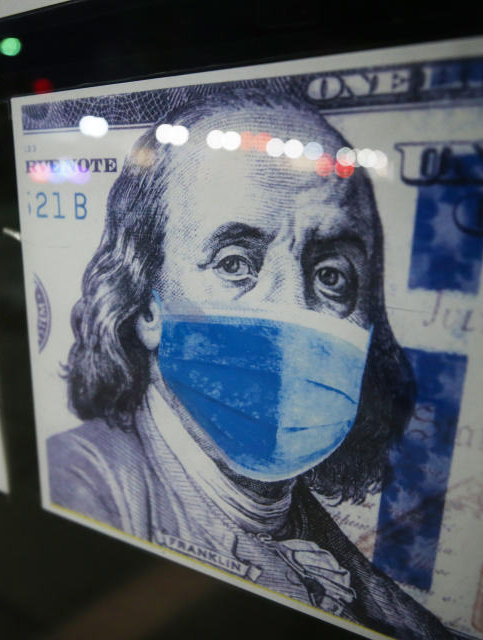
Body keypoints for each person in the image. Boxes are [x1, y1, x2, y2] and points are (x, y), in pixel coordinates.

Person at [48, 90, 452, 639]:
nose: (291, 308)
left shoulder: (387, 608)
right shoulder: (79, 484)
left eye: (332, 275)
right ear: (146, 305)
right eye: (235, 263)